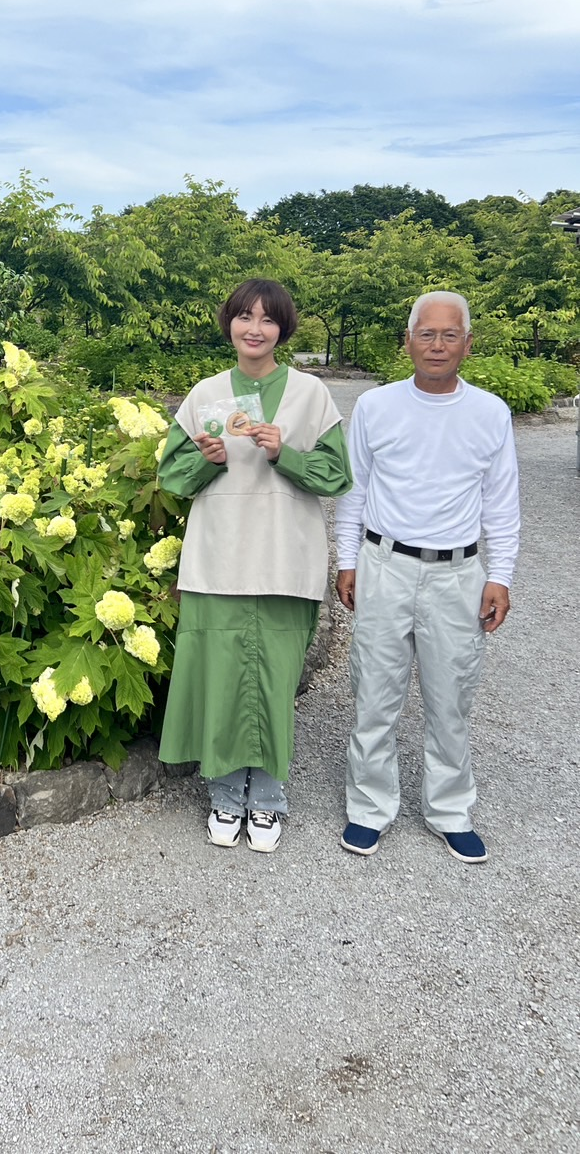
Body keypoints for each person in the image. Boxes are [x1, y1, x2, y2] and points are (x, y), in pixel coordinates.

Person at [157, 279, 352, 852]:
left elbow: (335, 475)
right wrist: (206, 458)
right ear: (230, 324)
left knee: (273, 676)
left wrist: (282, 453)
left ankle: (266, 798)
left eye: (268, 319)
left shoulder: (311, 396)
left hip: (284, 556)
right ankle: (223, 793)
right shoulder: (207, 393)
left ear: (283, 329)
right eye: (245, 316)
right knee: (219, 677)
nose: (255, 328)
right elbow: (173, 476)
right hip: (218, 556)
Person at [334, 291, 519, 863]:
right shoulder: (375, 407)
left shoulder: (490, 413)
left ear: (467, 342)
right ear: (407, 340)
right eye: (426, 333)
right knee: (374, 692)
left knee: (451, 697)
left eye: (449, 334)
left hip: (458, 572)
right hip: (384, 563)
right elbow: (354, 488)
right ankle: (369, 807)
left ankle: (449, 808)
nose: (437, 345)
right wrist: (346, 560)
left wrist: (501, 575)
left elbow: (501, 503)